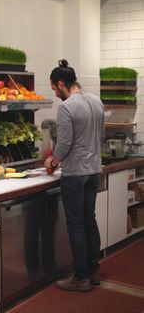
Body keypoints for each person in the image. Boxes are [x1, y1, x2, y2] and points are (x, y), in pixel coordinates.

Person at [44, 59, 104, 292]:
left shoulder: (67, 107)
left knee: (76, 224)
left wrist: (53, 161)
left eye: (54, 89)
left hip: (76, 173)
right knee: (90, 219)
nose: (56, 93)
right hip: (94, 171)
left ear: (61, 84)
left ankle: (80, 277)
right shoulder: (97, 101)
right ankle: (93, 270)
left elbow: (65, 143)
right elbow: (98, 136)